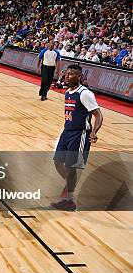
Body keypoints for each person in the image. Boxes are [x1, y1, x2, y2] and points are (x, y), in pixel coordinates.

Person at [52, 65, 102, 211]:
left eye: (71, 74)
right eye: (66, 74)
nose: (67, 76)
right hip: (66, 132)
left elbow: (98, 115)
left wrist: (94, 132)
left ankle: (70, 201)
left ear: (79, 76)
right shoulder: (68, 92)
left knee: (71, 166)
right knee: (57, 161)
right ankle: (70, 186)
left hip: (79, 134)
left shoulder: (85, 94)